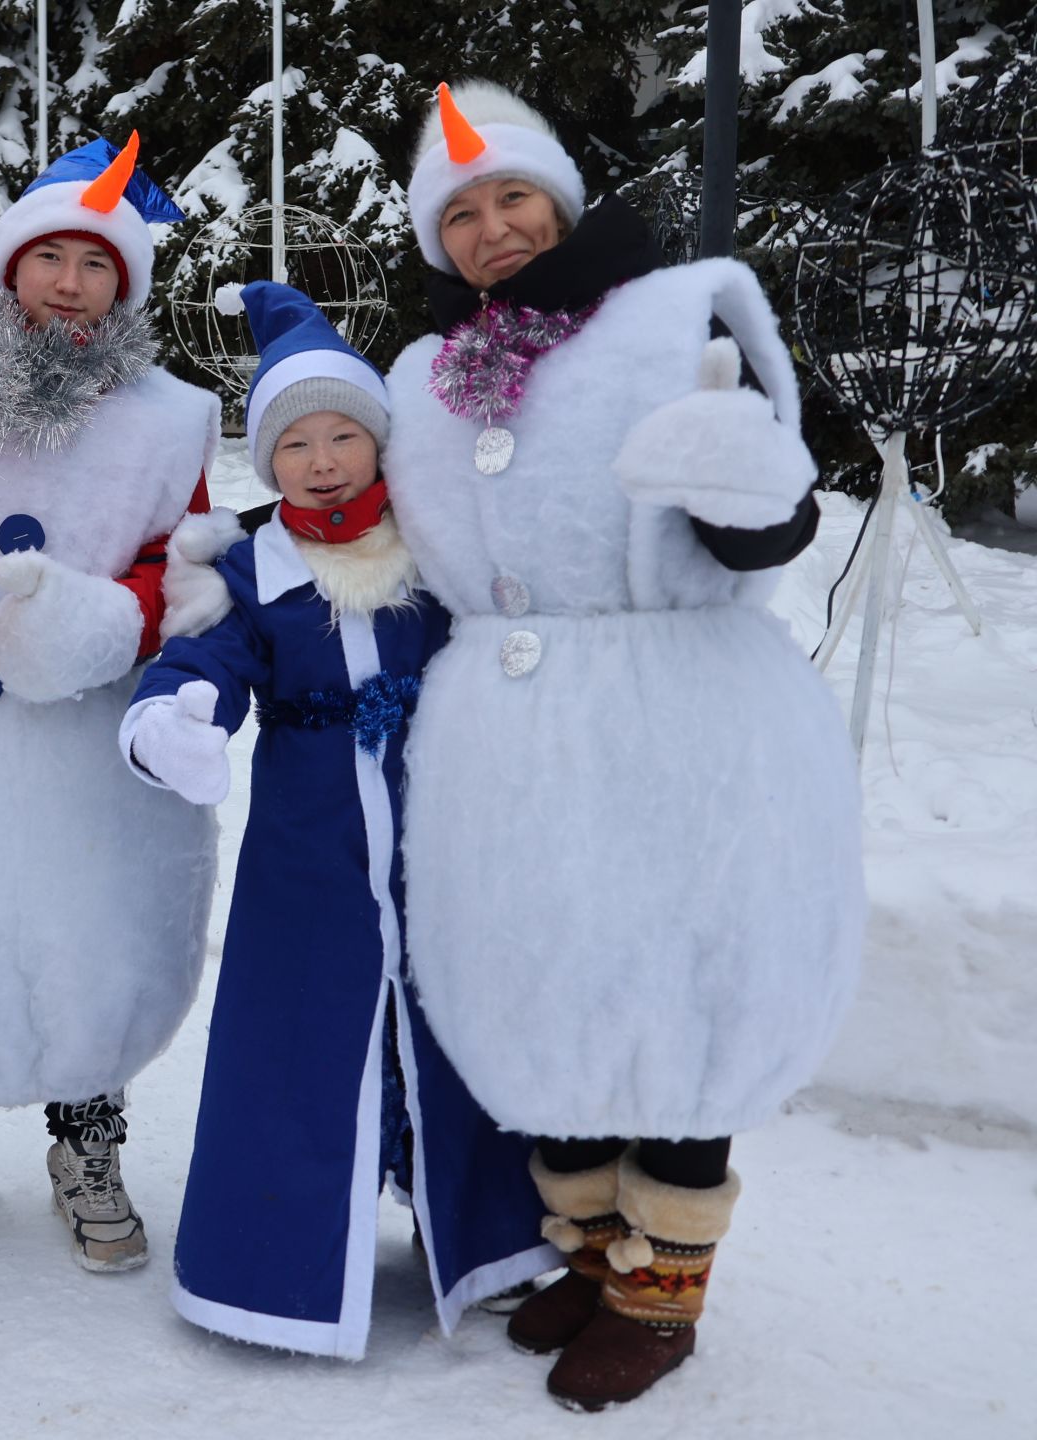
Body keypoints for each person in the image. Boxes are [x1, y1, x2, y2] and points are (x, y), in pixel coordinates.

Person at [385, 82, 864, 1410]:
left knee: (681, 1001)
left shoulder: (676, 314)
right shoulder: (423, 375)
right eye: (464, 215)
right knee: (546, 995)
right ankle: (597, 1259)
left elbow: (769, 515)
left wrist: (742, 495)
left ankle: (664, 1296)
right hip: (509, 751)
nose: (493, 231)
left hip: (679, 725)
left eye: (514, 199)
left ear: (563, 202)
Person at [120, 281, 554, 1357]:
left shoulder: (434, 544)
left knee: (450, 1023)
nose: (322, 461)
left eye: (344, 435)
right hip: (309, 852)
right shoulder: (249, 567)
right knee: (300, 1035)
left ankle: (489, 1235)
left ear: (378, 441)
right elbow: (205, 657)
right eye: (296, 442)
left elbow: (500, 640)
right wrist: (179, 716)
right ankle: (268, 1263)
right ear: (268, 462)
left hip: (440, 836)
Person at [0, 134, 221, 1272]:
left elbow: (192, 556)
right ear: (9, 270)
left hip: (88, 734)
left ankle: (88, 1142)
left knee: (93, 935)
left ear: (127, 285)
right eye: (49, 257)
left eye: (97, 263)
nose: (70, 282)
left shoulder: (169, 417)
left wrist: (118, 617)